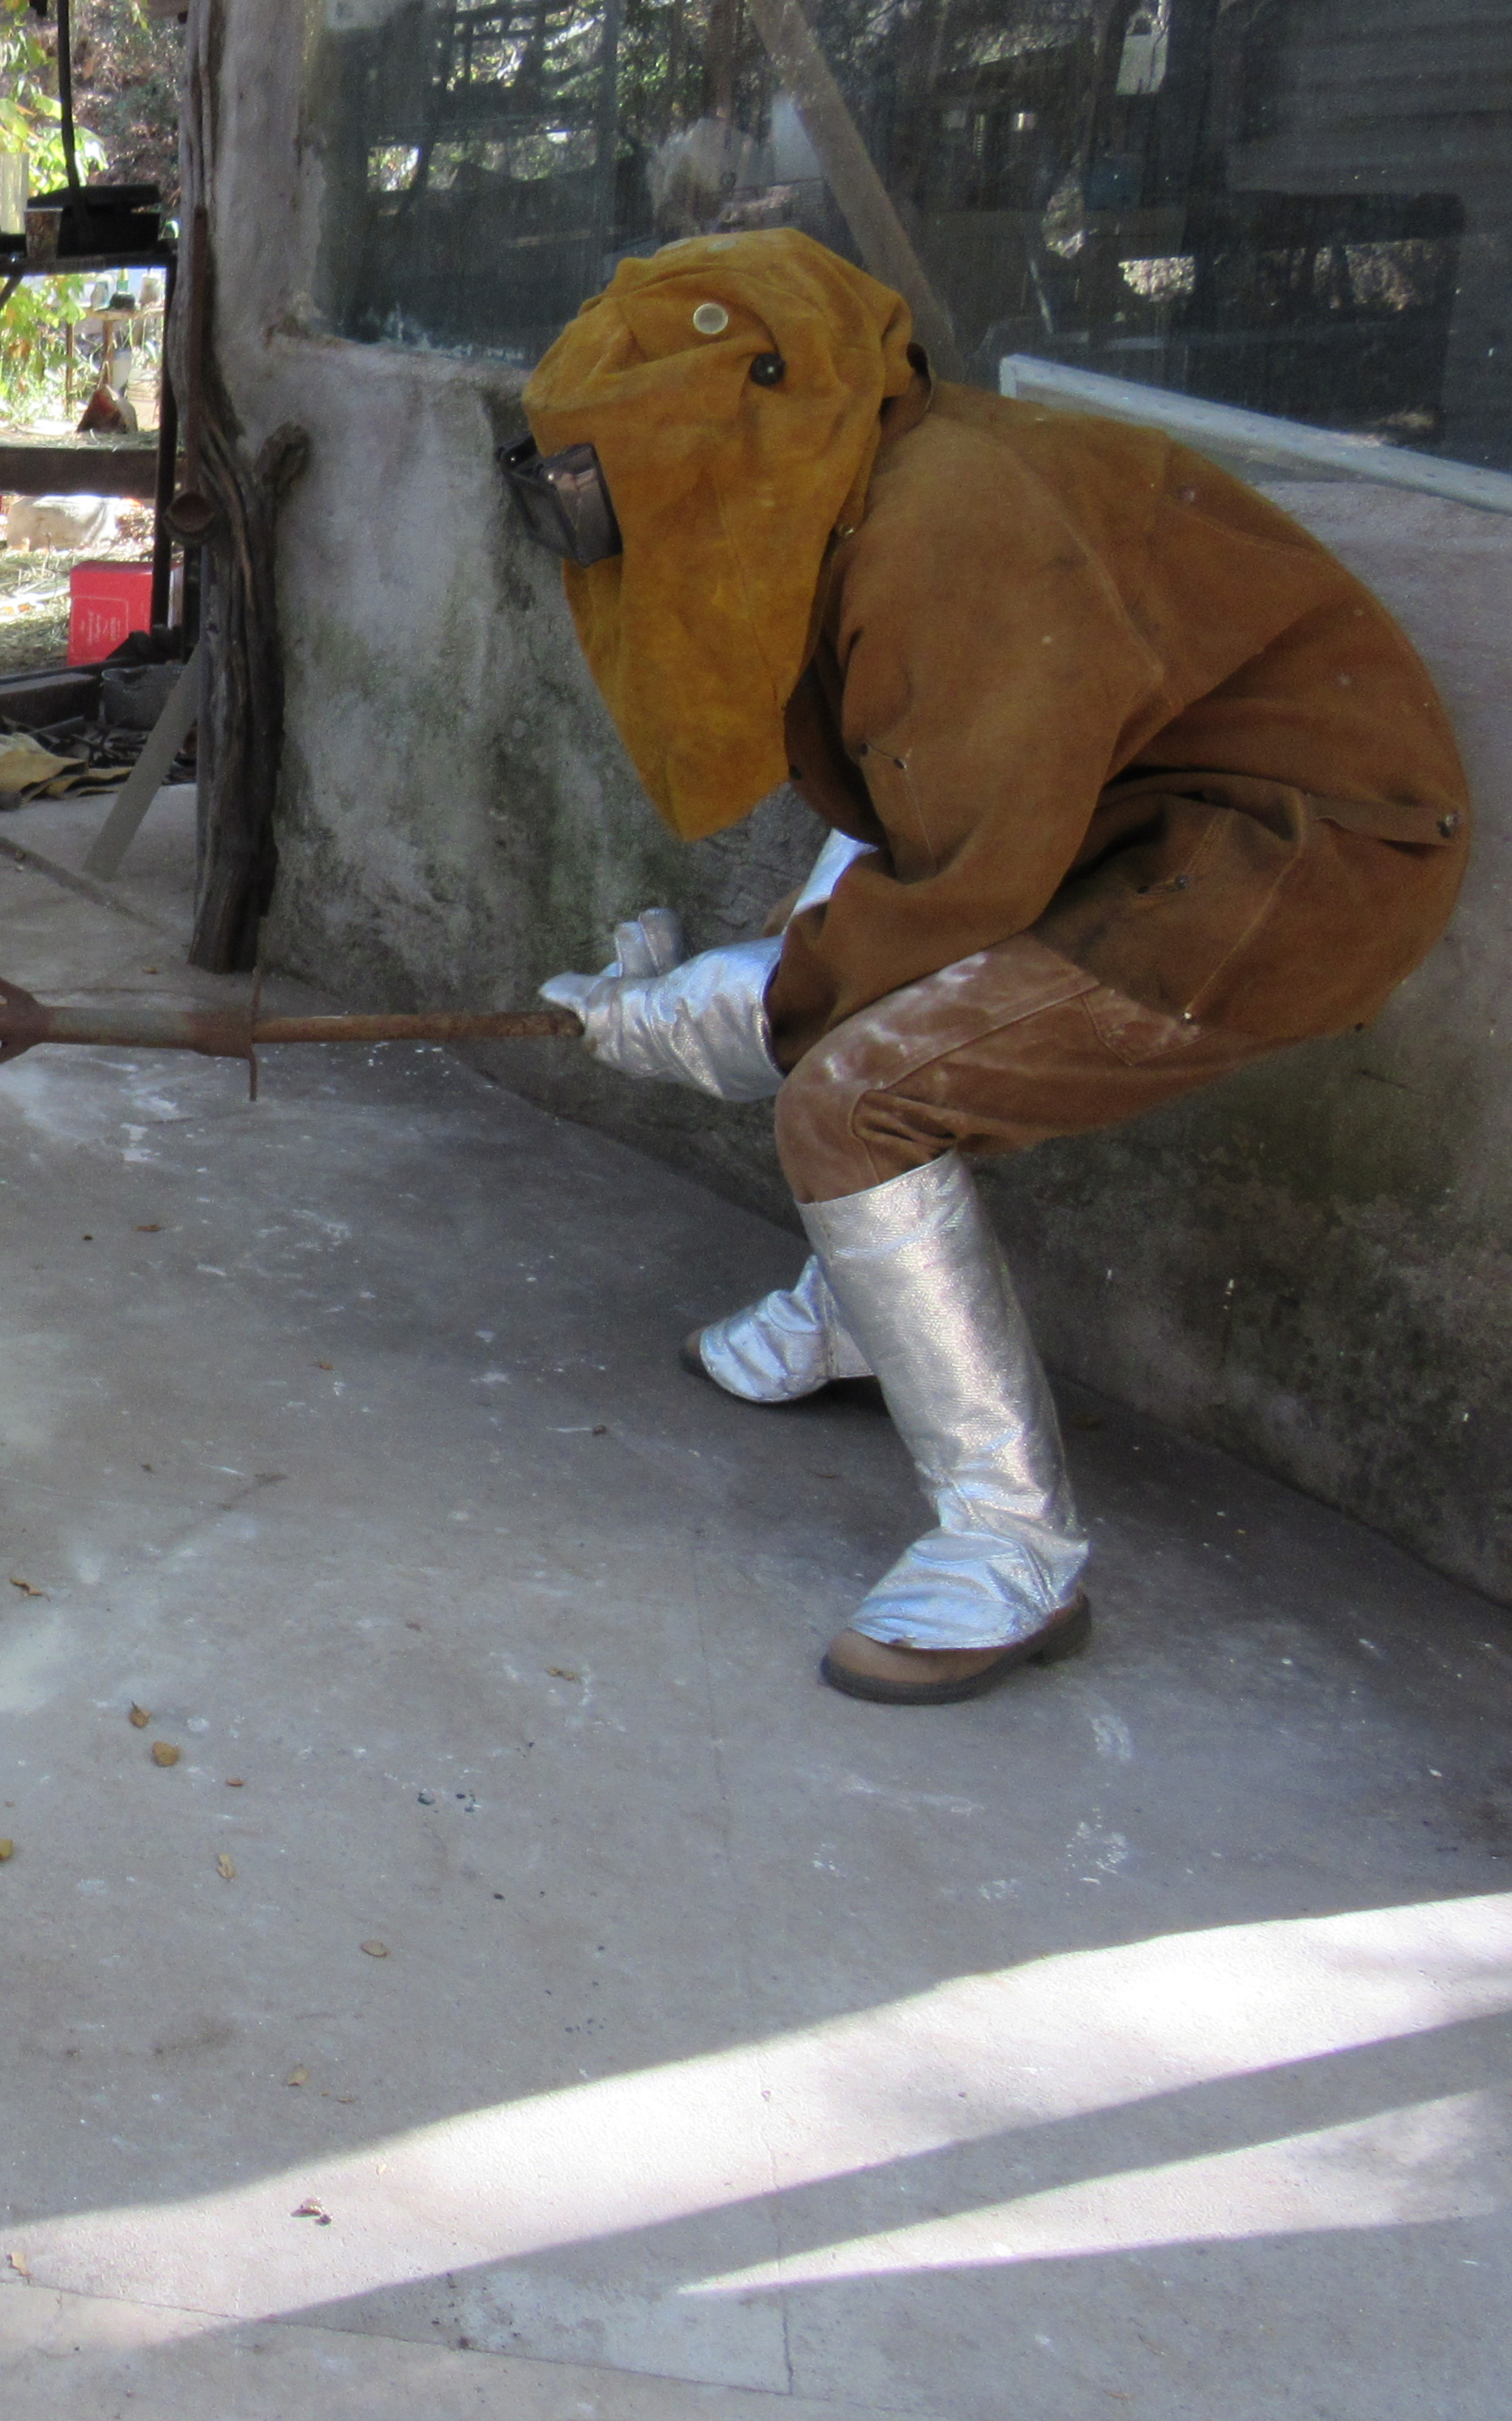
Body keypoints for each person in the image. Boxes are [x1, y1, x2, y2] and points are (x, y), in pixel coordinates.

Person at [512, 229, 1464, 1702]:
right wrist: (750, 989)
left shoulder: (947, 531)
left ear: (734, 435)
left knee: (855, 1103)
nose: (597, 533)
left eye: (604, 488)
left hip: (1283, 863)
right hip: (1128, 818)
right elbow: (911, 815)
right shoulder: (869, 494)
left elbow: (961, 890)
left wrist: (718, 1014)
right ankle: (868, 1297)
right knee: (862, 1023)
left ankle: (1013, 1547)